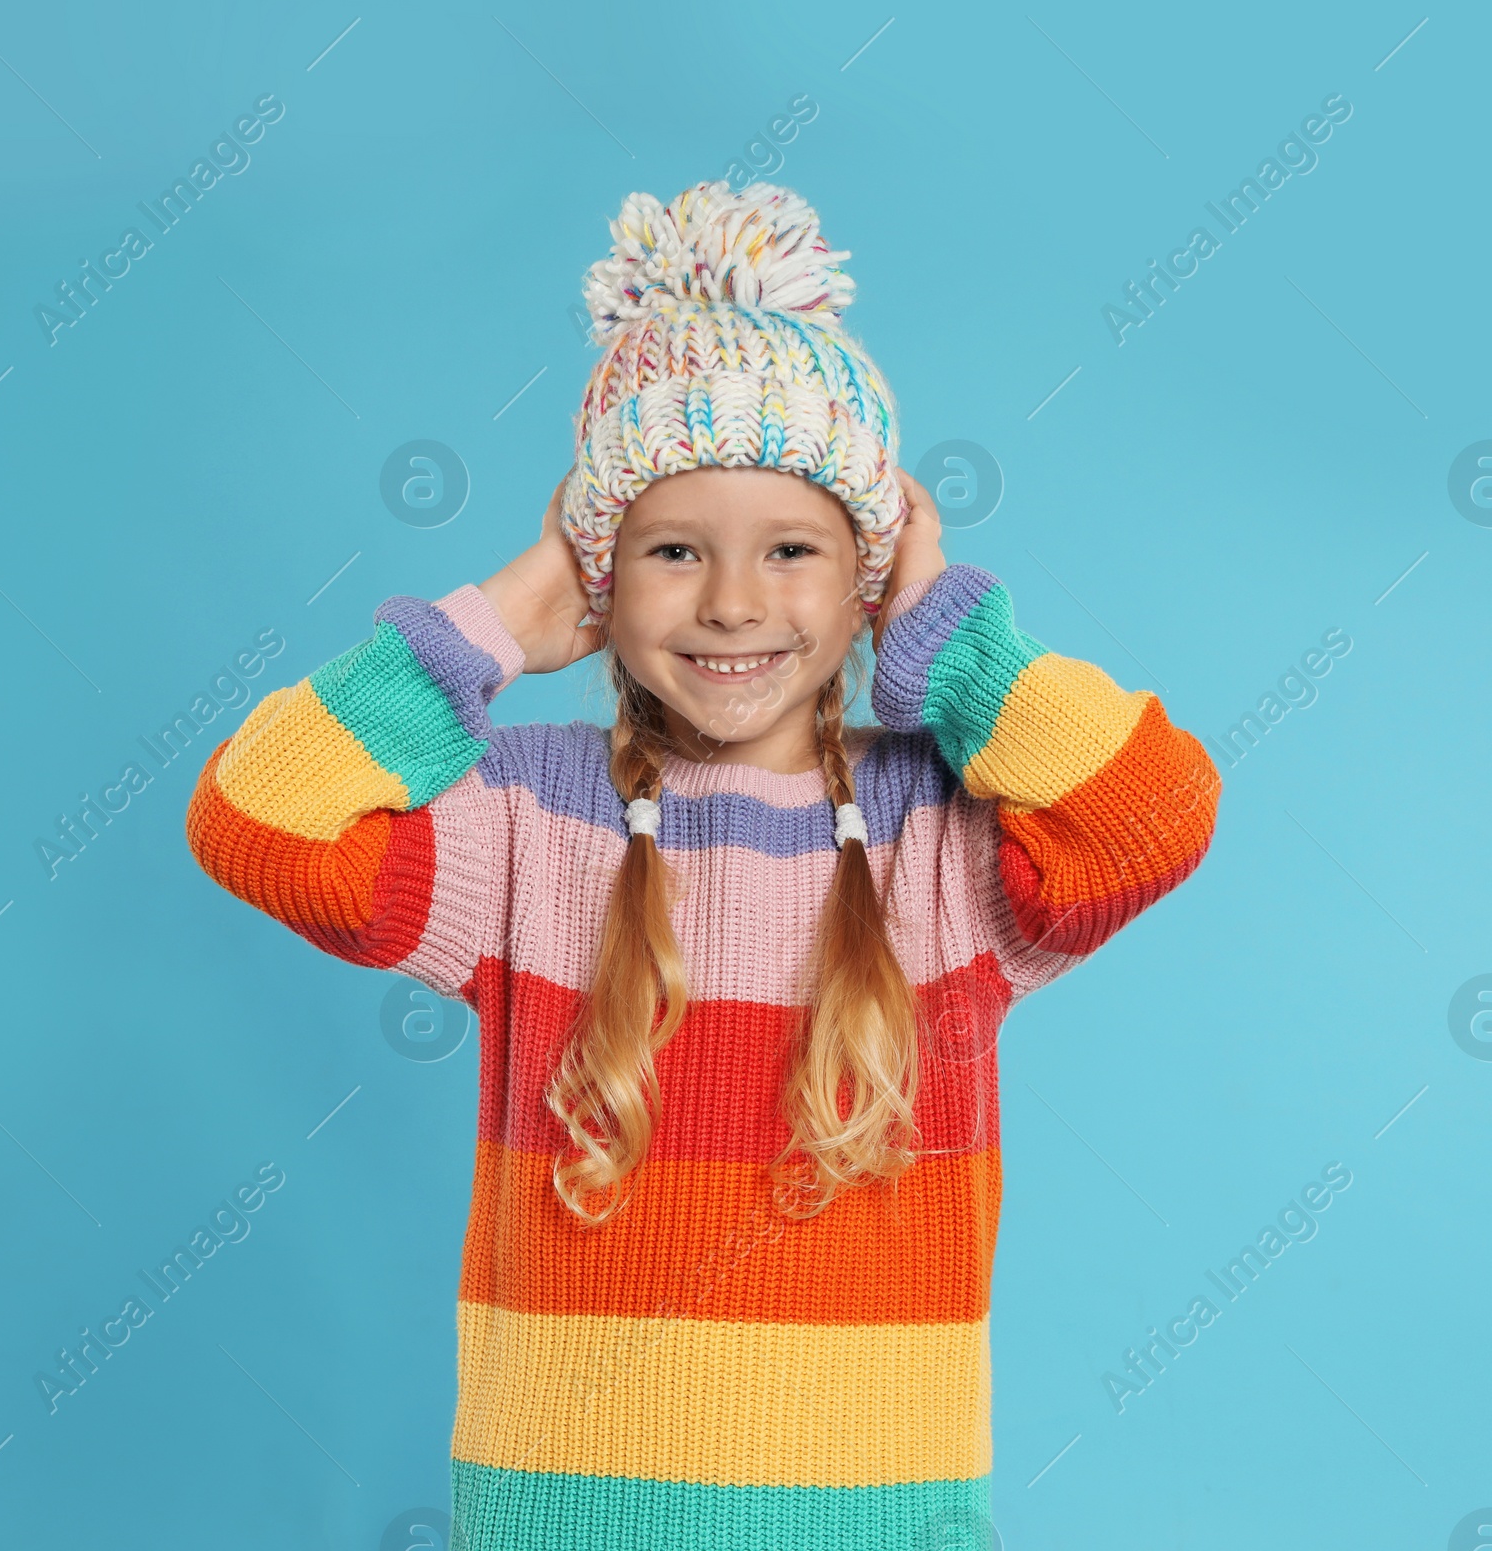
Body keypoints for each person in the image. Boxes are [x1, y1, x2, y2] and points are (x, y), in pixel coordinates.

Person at [186, 180, 1221, 1551]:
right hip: (557, 1523)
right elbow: (257, 818)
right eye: (674, 551)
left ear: (866, 575)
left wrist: (951, 643)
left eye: (791, 550)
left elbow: (1153, 816)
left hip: (878, 1525)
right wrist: (490, 628)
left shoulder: (942, 844)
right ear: (601, 576)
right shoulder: (526, 829)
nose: (733, 601)